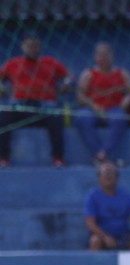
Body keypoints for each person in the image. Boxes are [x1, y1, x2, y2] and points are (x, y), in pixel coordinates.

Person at [0, 34, 71, 167]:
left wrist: (66, 83)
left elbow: (68, 76)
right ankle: (3, 158)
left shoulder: (50, 62)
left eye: (36, 46)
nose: (33, 49)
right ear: (23, 47)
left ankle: (58, 158)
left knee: (56, 118)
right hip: (20, 106)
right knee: (3, 117)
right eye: (29, 46)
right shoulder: (13, 63)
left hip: (45, 106)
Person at [74, 42, 130, 164]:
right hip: (93, 109)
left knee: (120, 118)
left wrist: (129, 98)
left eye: (106, 54)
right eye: (100, 55)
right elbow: (80, 95)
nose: (103, 58)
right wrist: (94, 106)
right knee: (82, 118)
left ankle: (103, 153)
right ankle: (101, 155)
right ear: (95, 57)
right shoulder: (88, 74)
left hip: (114, 108)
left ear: (112, 56)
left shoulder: (122, 73)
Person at [84, 161, 130, 251]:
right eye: (105, 174)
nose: (108, 177)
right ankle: (94, 264)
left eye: (111, 174)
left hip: (123, 235)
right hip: (102, 235)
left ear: (117, 177)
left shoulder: (126, 195)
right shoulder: (92, 196)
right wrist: (105, 237)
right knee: (95, 241)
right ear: (99, 178)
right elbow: (90, 223)